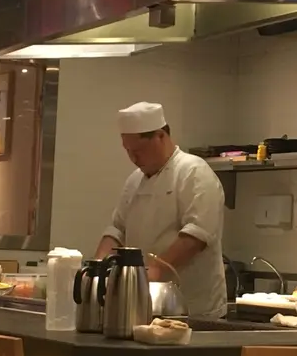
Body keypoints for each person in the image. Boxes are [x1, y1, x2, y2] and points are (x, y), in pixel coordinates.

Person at [94, 101, 228, 318]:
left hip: (192, 309)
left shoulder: (194, 172)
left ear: (160, 136)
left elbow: (197, 236)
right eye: (128, 151)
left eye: (139, 150)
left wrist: (155, 270)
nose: (133, 158)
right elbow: (117, 230)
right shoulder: (134, 181)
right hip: (143, 304)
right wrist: (97, 270)